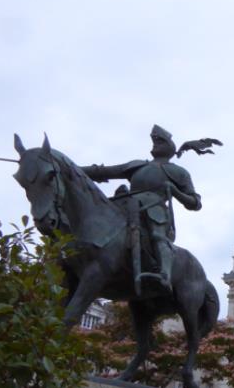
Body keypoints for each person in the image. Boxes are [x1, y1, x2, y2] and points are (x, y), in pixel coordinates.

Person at [81, 125, 212, 295]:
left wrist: (175, 191)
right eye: (154, 141)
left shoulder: (178, 172)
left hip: (154, 210)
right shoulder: (137, 166)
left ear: (169, 148)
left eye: (159, 142)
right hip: (126, 207)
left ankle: (164, 274)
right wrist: (71, 167)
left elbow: (195, 203)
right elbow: (103, 171)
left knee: (158, 236)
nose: (155, 144)